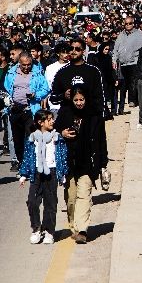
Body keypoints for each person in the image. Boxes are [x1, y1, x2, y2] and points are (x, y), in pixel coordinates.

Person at [56, 86, 107, 244]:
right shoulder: (65, 113)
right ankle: (74, 226)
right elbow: (53, 130)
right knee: (71, 199)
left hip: (87, 162)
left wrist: (103, 163)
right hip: (69, 162)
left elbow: (101, 141)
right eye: (76, 100)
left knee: (84, 195)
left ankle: (82, 230)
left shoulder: (95, 116)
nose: (79, 103)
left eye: (81, 99)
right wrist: (62, 133)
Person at [18, 109, 68, 245]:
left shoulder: (56, 137)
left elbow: (62, 156)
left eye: (52, 118)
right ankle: (36, 228)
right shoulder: (32, 138)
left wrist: (63, 173)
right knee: (32, 201)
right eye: (49, 119)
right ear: (40, 122)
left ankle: (49, 231)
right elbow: (27, 158)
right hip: (36, 174)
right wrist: (23, 175)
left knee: (50, 203)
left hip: (51, 173)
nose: (52, 121)